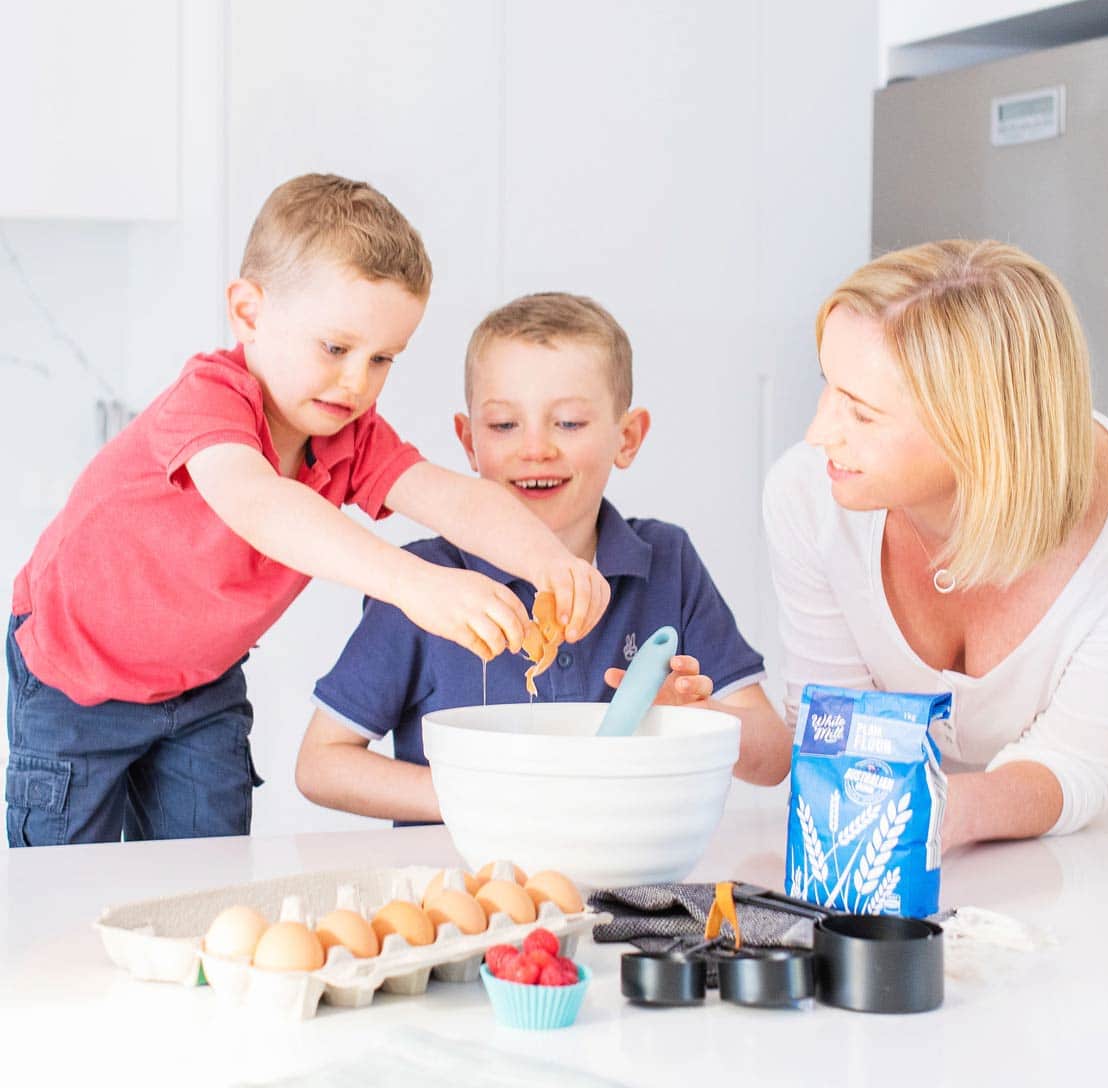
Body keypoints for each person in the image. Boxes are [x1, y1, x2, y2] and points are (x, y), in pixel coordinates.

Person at [5, 175, 609, 847]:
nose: (358, 381)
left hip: (200, 687)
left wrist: (550, 560)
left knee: (205, 875)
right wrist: (413, 583)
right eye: (335, 348)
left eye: (383, 358)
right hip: (75, 678)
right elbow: (261, 504)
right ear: (249, 313)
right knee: (59, 884)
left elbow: (447, 494)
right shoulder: (209, 399)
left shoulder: (346, 433)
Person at [295, 292, 792, 823]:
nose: (535, 449)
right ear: (468, 441)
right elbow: (320, 765)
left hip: (624, 883)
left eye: (570, 423)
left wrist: (699, 718)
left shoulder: (667, 563)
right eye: (505, 426)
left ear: (628, 438)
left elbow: (774, 758)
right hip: (463, 887)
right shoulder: (424, 583)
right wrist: (483, 799)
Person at [763, 239, 1108, 851]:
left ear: (976, 432)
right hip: (888, 824)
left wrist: (938, 813)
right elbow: (834, 726)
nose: (817, 433)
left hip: (1072, 840)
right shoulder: (807, 496)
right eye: (829, 387)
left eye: (861, 414)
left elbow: (1083, 757)